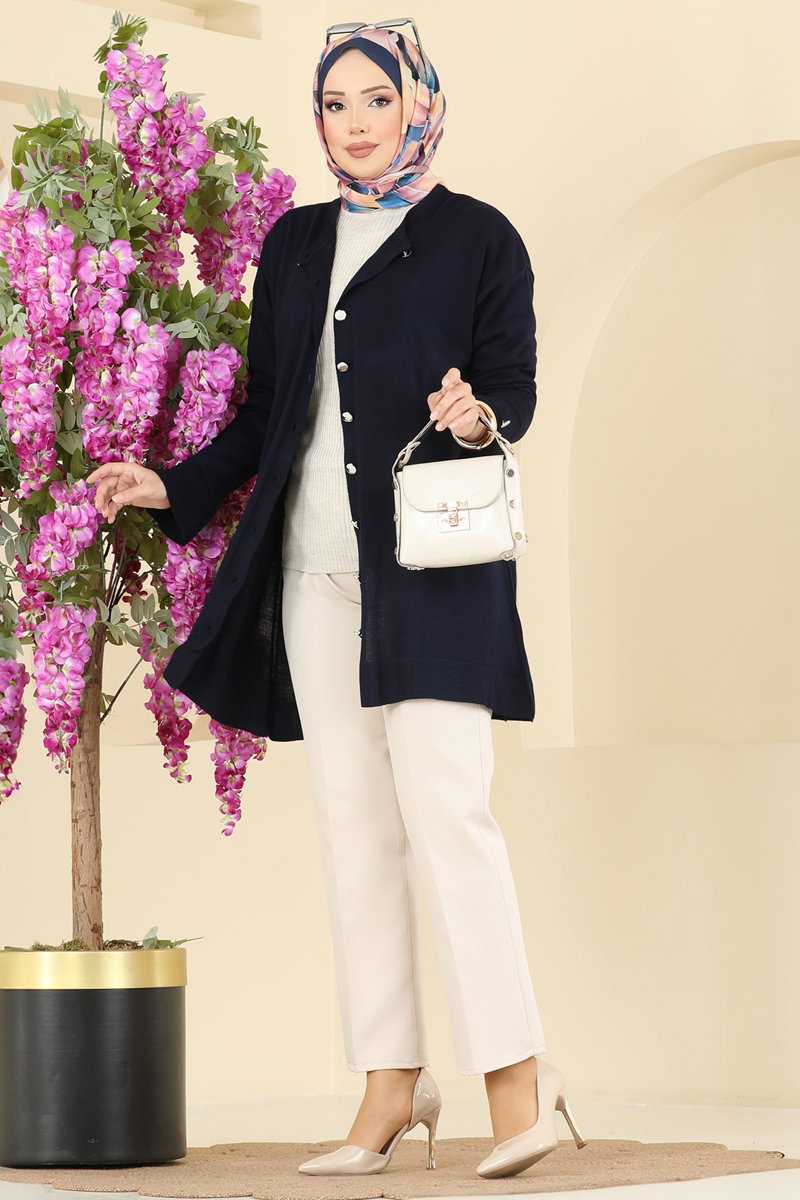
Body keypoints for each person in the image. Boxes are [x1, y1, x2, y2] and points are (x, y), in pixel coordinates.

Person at [89, 18, 586, 1179]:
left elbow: (510, 389)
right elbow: (268, 413)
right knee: (353, 831)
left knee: (449, 816)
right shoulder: (296, 241)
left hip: (435, 580)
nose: (355, 122)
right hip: (312, 579)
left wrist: (477, 418)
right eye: (334, 102)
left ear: (418, 103)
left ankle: (519, 1081)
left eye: (375, 98)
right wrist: (172, 484)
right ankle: (387, 1084)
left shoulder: (478, 237)